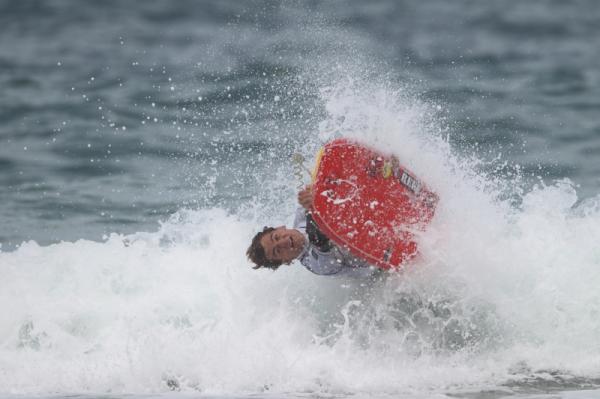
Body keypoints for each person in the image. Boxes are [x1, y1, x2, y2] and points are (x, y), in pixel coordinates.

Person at [246, 185, 381, 277]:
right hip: (380, 266)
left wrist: (314, 191)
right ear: (285, 261)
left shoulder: (301, 212)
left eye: (276, 237)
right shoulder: (316, 265)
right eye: (277, 251)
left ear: (281, 227)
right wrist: (314, 206)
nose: (282, 243)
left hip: (370, 222)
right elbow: (319, 239)